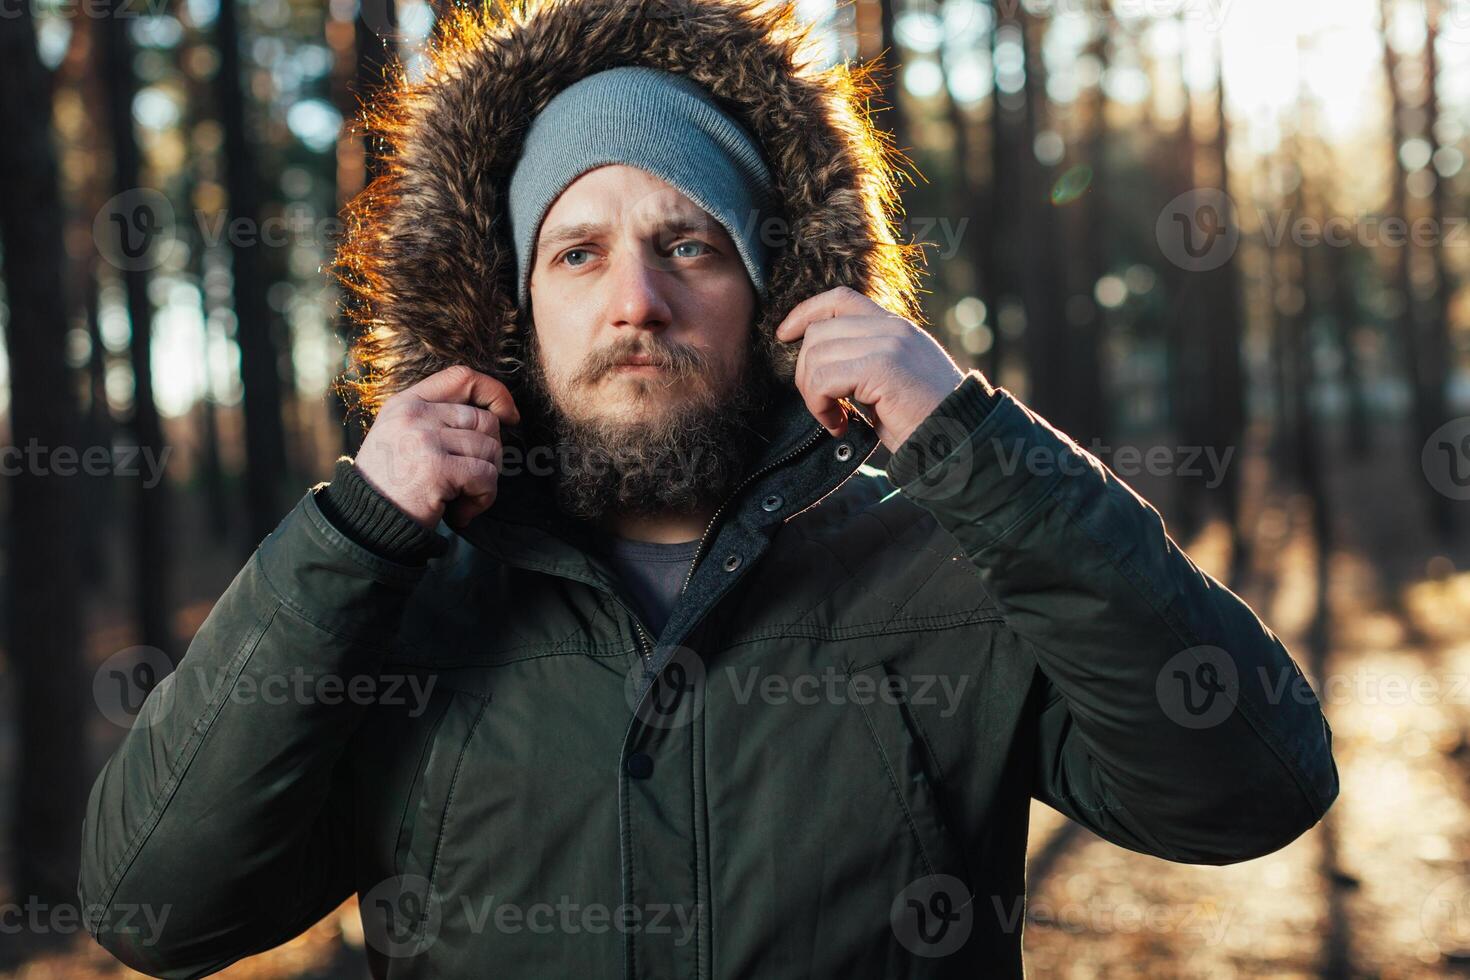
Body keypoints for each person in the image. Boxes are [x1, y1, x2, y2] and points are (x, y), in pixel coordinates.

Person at [78, 1, 1339, 977]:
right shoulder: (395, 610)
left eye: (689, 243)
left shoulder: (952, 568)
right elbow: (158, 907)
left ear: (778, 294)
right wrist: (346, 540)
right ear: (514, 309)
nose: (636, 298)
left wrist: (973, 444)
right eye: (578, 252)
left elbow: (1250, 787)